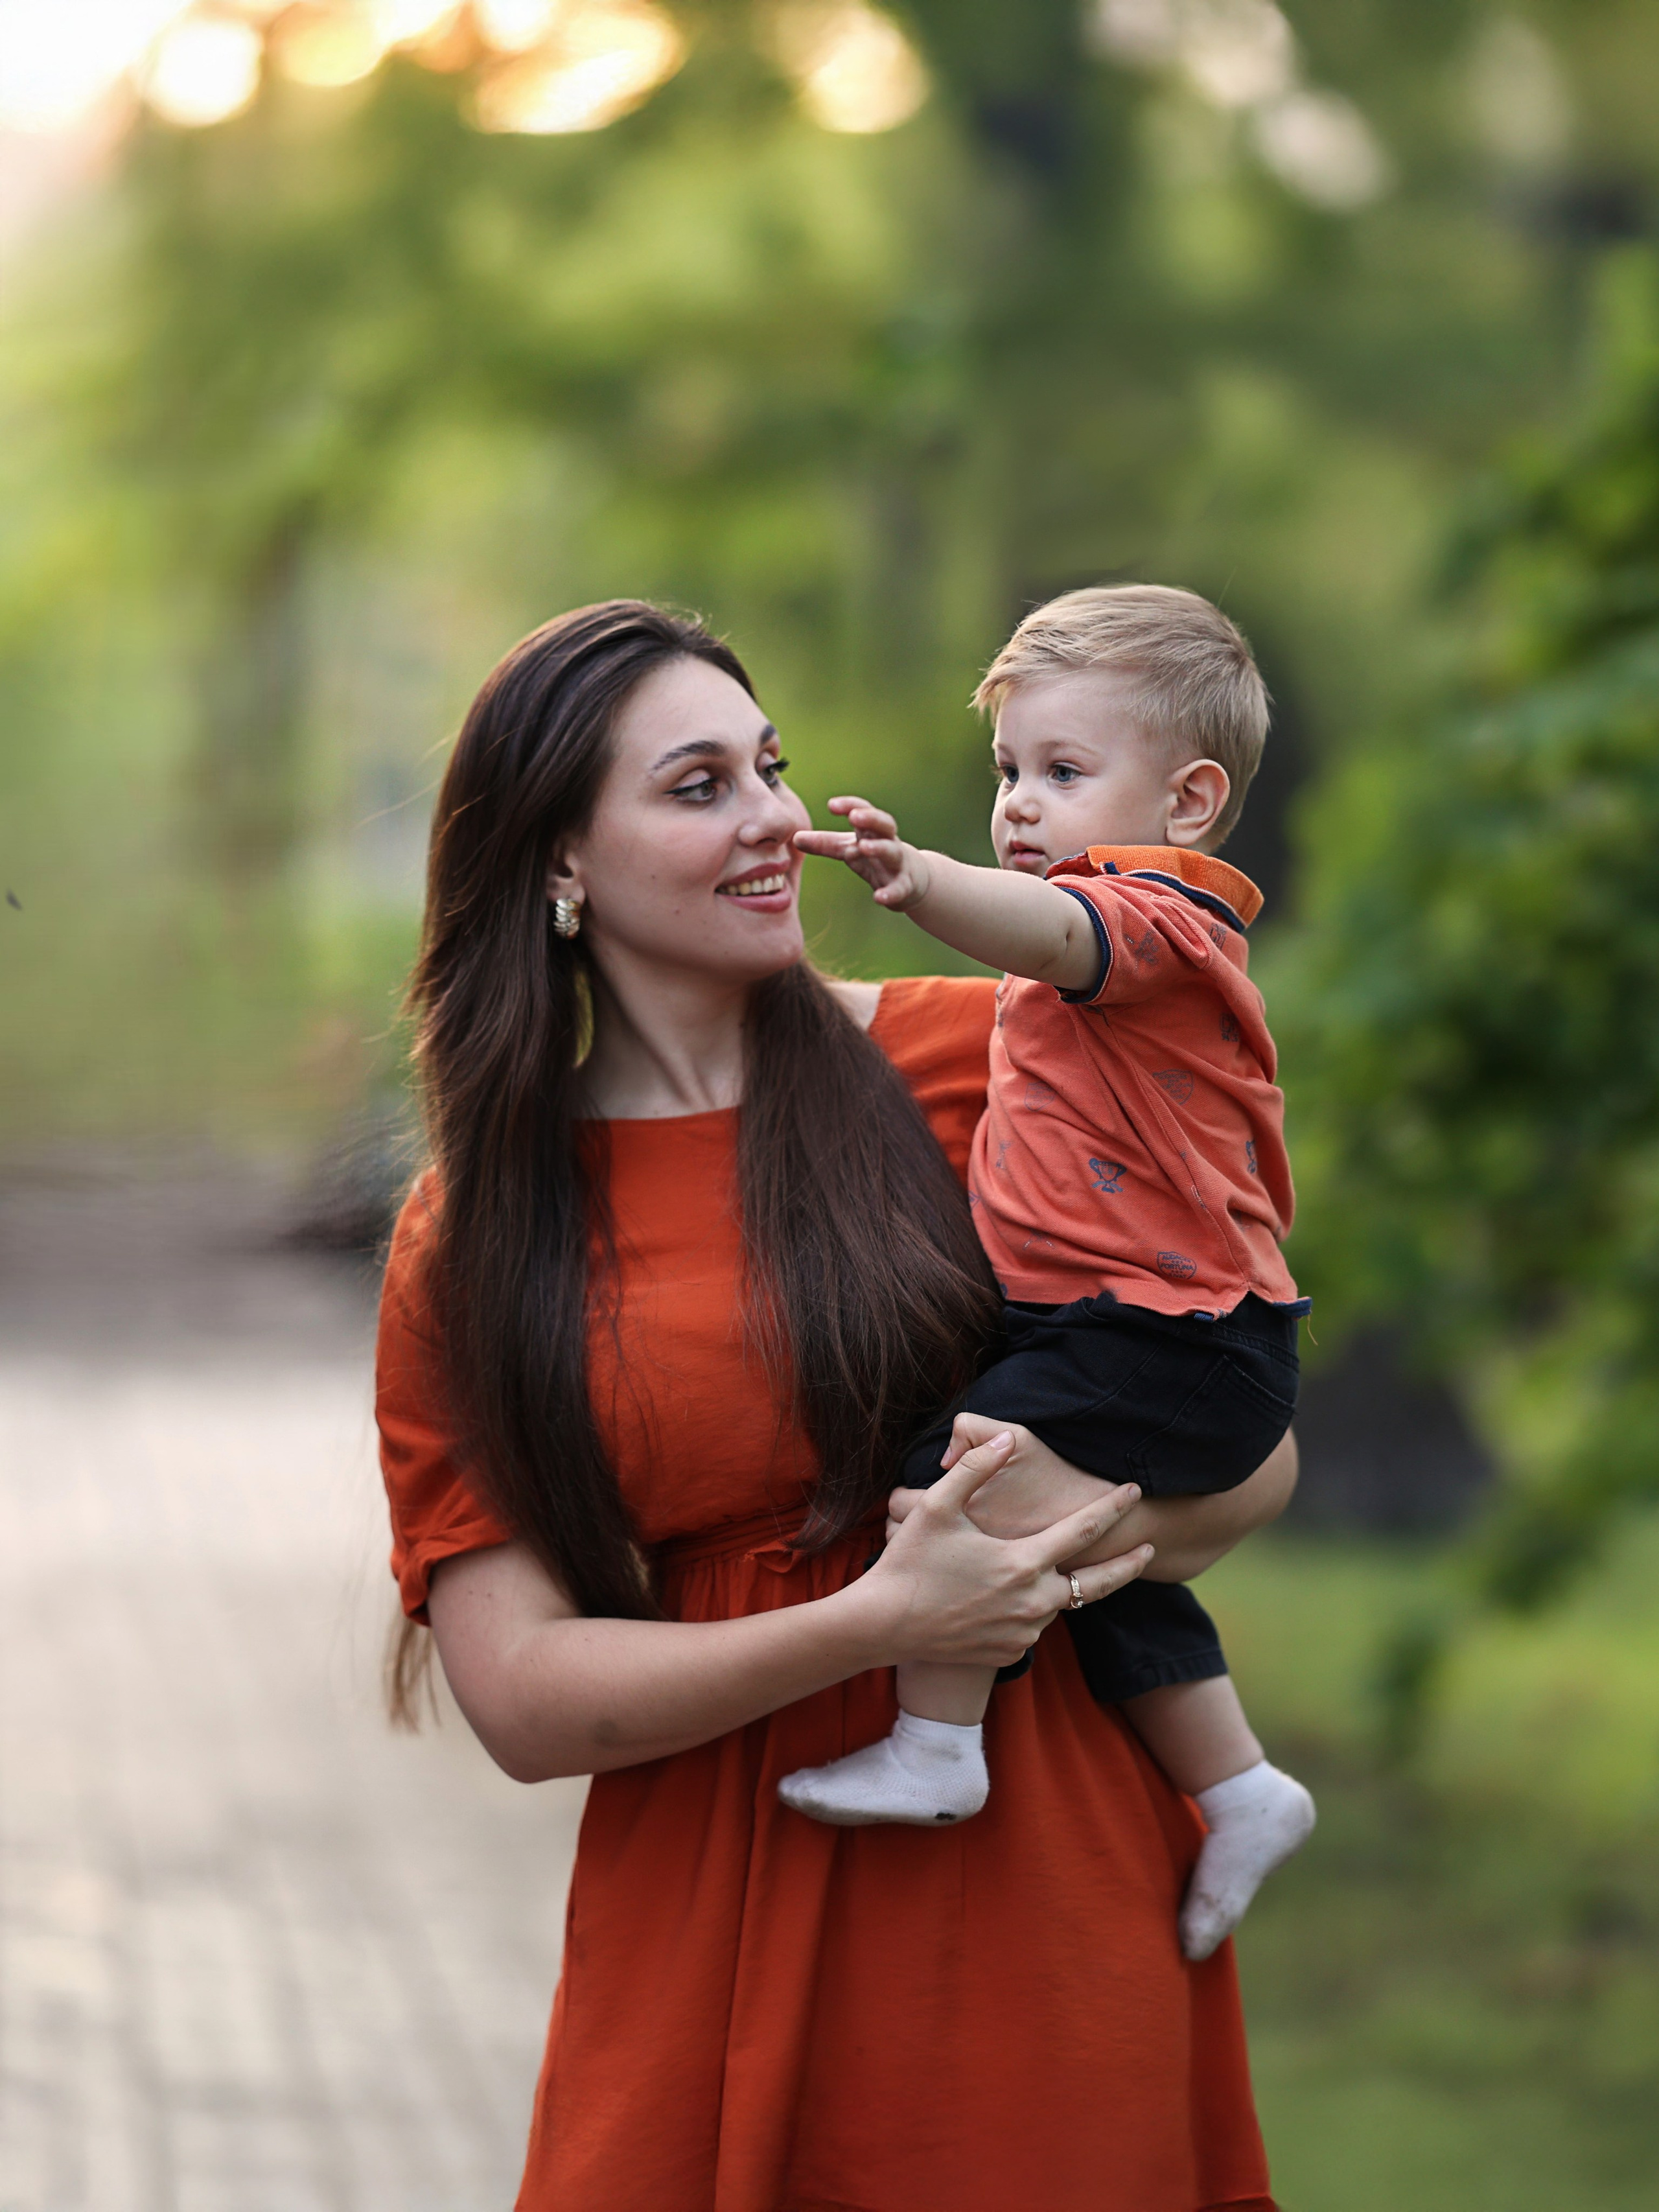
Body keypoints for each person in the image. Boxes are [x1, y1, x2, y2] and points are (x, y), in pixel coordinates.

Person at [376, 598, 1295, 2211]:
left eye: (772, 767)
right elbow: (516, 1698)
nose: (776, 820)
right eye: (698, 786)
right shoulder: (477, 1232)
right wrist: (879, 1619)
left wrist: (1010, 1569)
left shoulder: (994, 1053)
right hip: (709, 1919)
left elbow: (1248, 1449)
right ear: (554, 867)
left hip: (1041, 1896)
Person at [778, 585, 1315, 1962]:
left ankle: (936, 1741)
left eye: (1062, 773)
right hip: (1132, 1326)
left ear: (1187, 802)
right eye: (1008, 771)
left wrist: (925, 882)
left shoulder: (1161, 929)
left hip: (1172, 1334)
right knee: (1100, 1568)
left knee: (952, 1481)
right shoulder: (1081, 963)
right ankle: (1238, 1784)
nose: (1019, 802)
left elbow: (1047, 932)